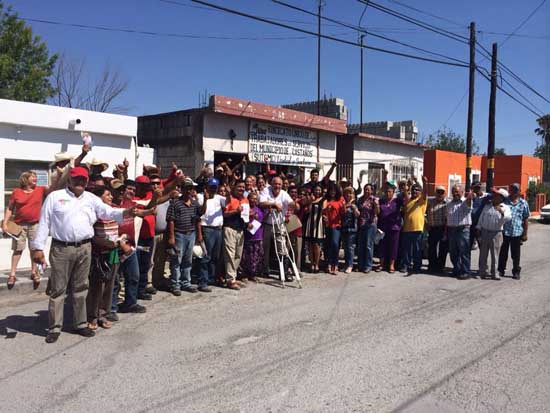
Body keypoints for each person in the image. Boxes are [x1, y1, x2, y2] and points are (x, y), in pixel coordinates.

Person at [31, 166, 134, 344]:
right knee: (58, 289)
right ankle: (55, 327)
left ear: (87, 181)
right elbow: (44, 222)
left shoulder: (91, 199)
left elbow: (107, 212)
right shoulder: (55, 197)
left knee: (81, 287)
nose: (80, 182)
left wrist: (125, 212)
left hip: (85, 247)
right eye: (77, 179)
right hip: (61, 248)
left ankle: (80, 323)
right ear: (70, 179)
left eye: (83, 180)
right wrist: (38, 248)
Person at [86, 186, 133, 330]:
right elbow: (91, 235)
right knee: (97, 287)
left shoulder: (113, 211)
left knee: (109, 286)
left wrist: (121, 241)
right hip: (99, 255)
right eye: (108, 195)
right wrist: (105, 243)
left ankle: (103, 315)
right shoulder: (93, 214)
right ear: (98, 198)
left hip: (113, 253)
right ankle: (92, 317)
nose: (111, 197)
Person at [3, 171, 48, 289]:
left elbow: (54, 188)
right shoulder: (16, 192)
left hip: (35, 224)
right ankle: (12, 274)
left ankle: (34, 273)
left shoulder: (40, 190)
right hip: (19, 225)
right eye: (33, 176)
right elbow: (10, 208)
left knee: (34, 250)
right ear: (25, 179)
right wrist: (5, 223)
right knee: (18, 249)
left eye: (36, 177)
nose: (36, 178)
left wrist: (60, 174)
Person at [166, 178, 203, 295]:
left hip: (191, 234)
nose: (189, 191)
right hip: (179, 234)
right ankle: (175, 284)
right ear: (182, 189)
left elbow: (198, 220)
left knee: (188, 260)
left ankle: (186, 283)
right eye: (186, 188)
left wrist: (199, 235)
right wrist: (171, 237)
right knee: (176, 260)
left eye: (190, 188)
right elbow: (171, 220)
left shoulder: (195, 204)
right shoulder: (175, 203)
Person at [259, 177, 294, 278]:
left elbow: (291, 203)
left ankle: (284, 272)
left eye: (279, 184)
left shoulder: (284, 193)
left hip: (279, 224)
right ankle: (265, 269)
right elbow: (261, 203)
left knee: (282, 248)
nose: (277, 186)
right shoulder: (266, 191)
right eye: (275, 184)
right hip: (267, 224)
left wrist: (293, 205)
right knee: (265, 248)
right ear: (271, 184)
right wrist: (274, 204)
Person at [476, 188, 512, 280]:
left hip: (496, 233)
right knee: (483, 254)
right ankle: (482, 272)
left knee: (495, 255)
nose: (493, 196)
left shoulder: (505, 207)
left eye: (496, 195)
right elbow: (481, 218)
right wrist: (478, 228)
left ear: (501, 198)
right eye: (494, 195)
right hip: (485, 231)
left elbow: (508, 218)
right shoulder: (488, 205)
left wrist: (501, 211)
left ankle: (494, 273)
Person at [197, 178, 225, 290]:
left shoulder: (219, 197)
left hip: (218, 229)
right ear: (207, 186)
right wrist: (205, 199)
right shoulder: (200, 196)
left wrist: (228, 190)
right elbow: (200, 213)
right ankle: (202, 281)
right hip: (207, 229)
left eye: (215, 187)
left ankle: (211, 278)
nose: (213, 189)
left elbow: (228, 201)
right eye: (211, 186)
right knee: (206, 256)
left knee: (215, 256)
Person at [498, 183, 530, 280]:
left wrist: (525, 234)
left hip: (517, 233)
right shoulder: (504, 202)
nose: (514, 191)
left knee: (515, 254)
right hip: (505, 232)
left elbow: (525, 219)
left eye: (516, 190)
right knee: (503, 253)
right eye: (512, 189)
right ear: (510, 191)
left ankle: (516, 271)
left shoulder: (523, 203)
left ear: (519, 191)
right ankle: (501, 270)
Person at [223, 179, 249, 290]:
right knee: (230, 255)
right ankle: (230, 280)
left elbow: (246, 214)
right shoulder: (229, 199)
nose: (241, 189)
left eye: (243, 187)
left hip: (241, 230)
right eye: (239, 187)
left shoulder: (245, 200)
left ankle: (233, 276)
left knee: (238, 255)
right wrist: (235, 211)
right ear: (234, 187)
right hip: (230, 229)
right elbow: (224, 214)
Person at [400, 177, 428, 275]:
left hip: (418, 229)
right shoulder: (408, 201)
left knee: (417, 250)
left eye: (417, 190)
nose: (415, 191)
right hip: (407, 229)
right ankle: (406, 265)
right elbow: (405, 193)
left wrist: (425, 183)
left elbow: (425, 192)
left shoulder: (422, 201)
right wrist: (406, 188)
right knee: (407, 250)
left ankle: (417, 266)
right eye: (413, 190)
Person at [446, 185, 474, 279]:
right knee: (453, 252)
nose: (455, 193)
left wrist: (469, 198)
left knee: (464, 252)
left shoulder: (465, 202)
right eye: (453, 191)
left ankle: (466, 271)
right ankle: (456, 270)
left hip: (463, 230)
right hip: (452, 230)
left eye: (457, 191)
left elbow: (468, 205)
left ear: (462, 192)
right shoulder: (449, 203)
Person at [377, 181, 403, 273]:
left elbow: (404, 197)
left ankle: (392, 265)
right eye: (387, 191)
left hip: (394, 228)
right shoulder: (381, 201)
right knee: (382, 246)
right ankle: (381, 264)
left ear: (393, 192)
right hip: (383, 228)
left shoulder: (397, 201)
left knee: (393, 247)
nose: (388, 193)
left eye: (390, 191)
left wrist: (405, 186)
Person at [240, 192, 264, 282]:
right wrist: (248, 222)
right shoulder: (246, 209)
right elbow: (242, 220)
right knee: (246, 257)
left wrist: (268, 214)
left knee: (256, 256)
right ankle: (244, 274)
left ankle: (253, 274)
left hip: (258, 235)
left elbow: (262, 220)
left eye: (255, 198)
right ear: (248, 199)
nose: (253, 200)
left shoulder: (259, 209)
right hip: (248, 236)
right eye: (252, 198)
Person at [356, 183, 379, 273]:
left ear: (372, 191)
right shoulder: (360, 199)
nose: (366, 191)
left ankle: (368, 265)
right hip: (361, 224)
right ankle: (360, 265)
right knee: (361, 246)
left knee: (368, 246)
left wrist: (376, 205)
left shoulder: (374, 199)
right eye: (365, 189)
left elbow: (377, 212)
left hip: (371, 224)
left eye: (368, 189)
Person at [302, 185, 325, 273]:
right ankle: (312, 264)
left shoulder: (323, 199)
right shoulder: (309, 199)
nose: (317, 191)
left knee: (316, 245)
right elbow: (307, 211)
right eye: (316, 190)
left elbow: (324, 210)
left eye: (319, 190)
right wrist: (311, 201)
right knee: (310, 245)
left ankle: (317, 264)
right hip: (309, 222)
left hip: (318, 224)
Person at [323, 183, 344, 275]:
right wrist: (326, 211)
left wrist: (343, 207)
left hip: (336, 226)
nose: (333, 192)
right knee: (327, 246)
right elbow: (323, 211)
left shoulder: (340, 199)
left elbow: (343, 213)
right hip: (327, 226)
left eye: (334, 190)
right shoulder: (326, 200)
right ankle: (328, 263)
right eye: (331, 190)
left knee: (335, 244)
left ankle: (335, 265)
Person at [426, 186, 448, 273]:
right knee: (431, 248)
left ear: (445, 194)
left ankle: (440, 267)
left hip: (443, 228)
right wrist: (425, 222)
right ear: (435, 193)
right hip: (432, 228)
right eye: (438, 192)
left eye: (441, 192)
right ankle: (432, 266)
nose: (439, 194)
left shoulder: (447, 203)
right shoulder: (430, 201)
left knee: (443, 249)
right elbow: (423, 211)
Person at [341, 187, 360, 274]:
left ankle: (350, 265)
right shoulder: (343, 202)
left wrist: (354, 208)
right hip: (344, 227)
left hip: (352, 228)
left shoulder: (355, 203)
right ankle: (346, 264)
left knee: (350, 247)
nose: (348, 195)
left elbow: (358, 215)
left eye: (350, 193)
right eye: (346, 193)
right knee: (345, 247)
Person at [287, 185, 303, 272]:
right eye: (291, 192)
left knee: (297, 251)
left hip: (297, 229)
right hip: (287, 229)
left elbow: (298, 208)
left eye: (295, 192)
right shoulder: (285, 201)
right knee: (287, 250)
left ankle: (297, 268)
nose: (293, 194)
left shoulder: (300, 202)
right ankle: (287, 267)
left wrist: (295, 202)